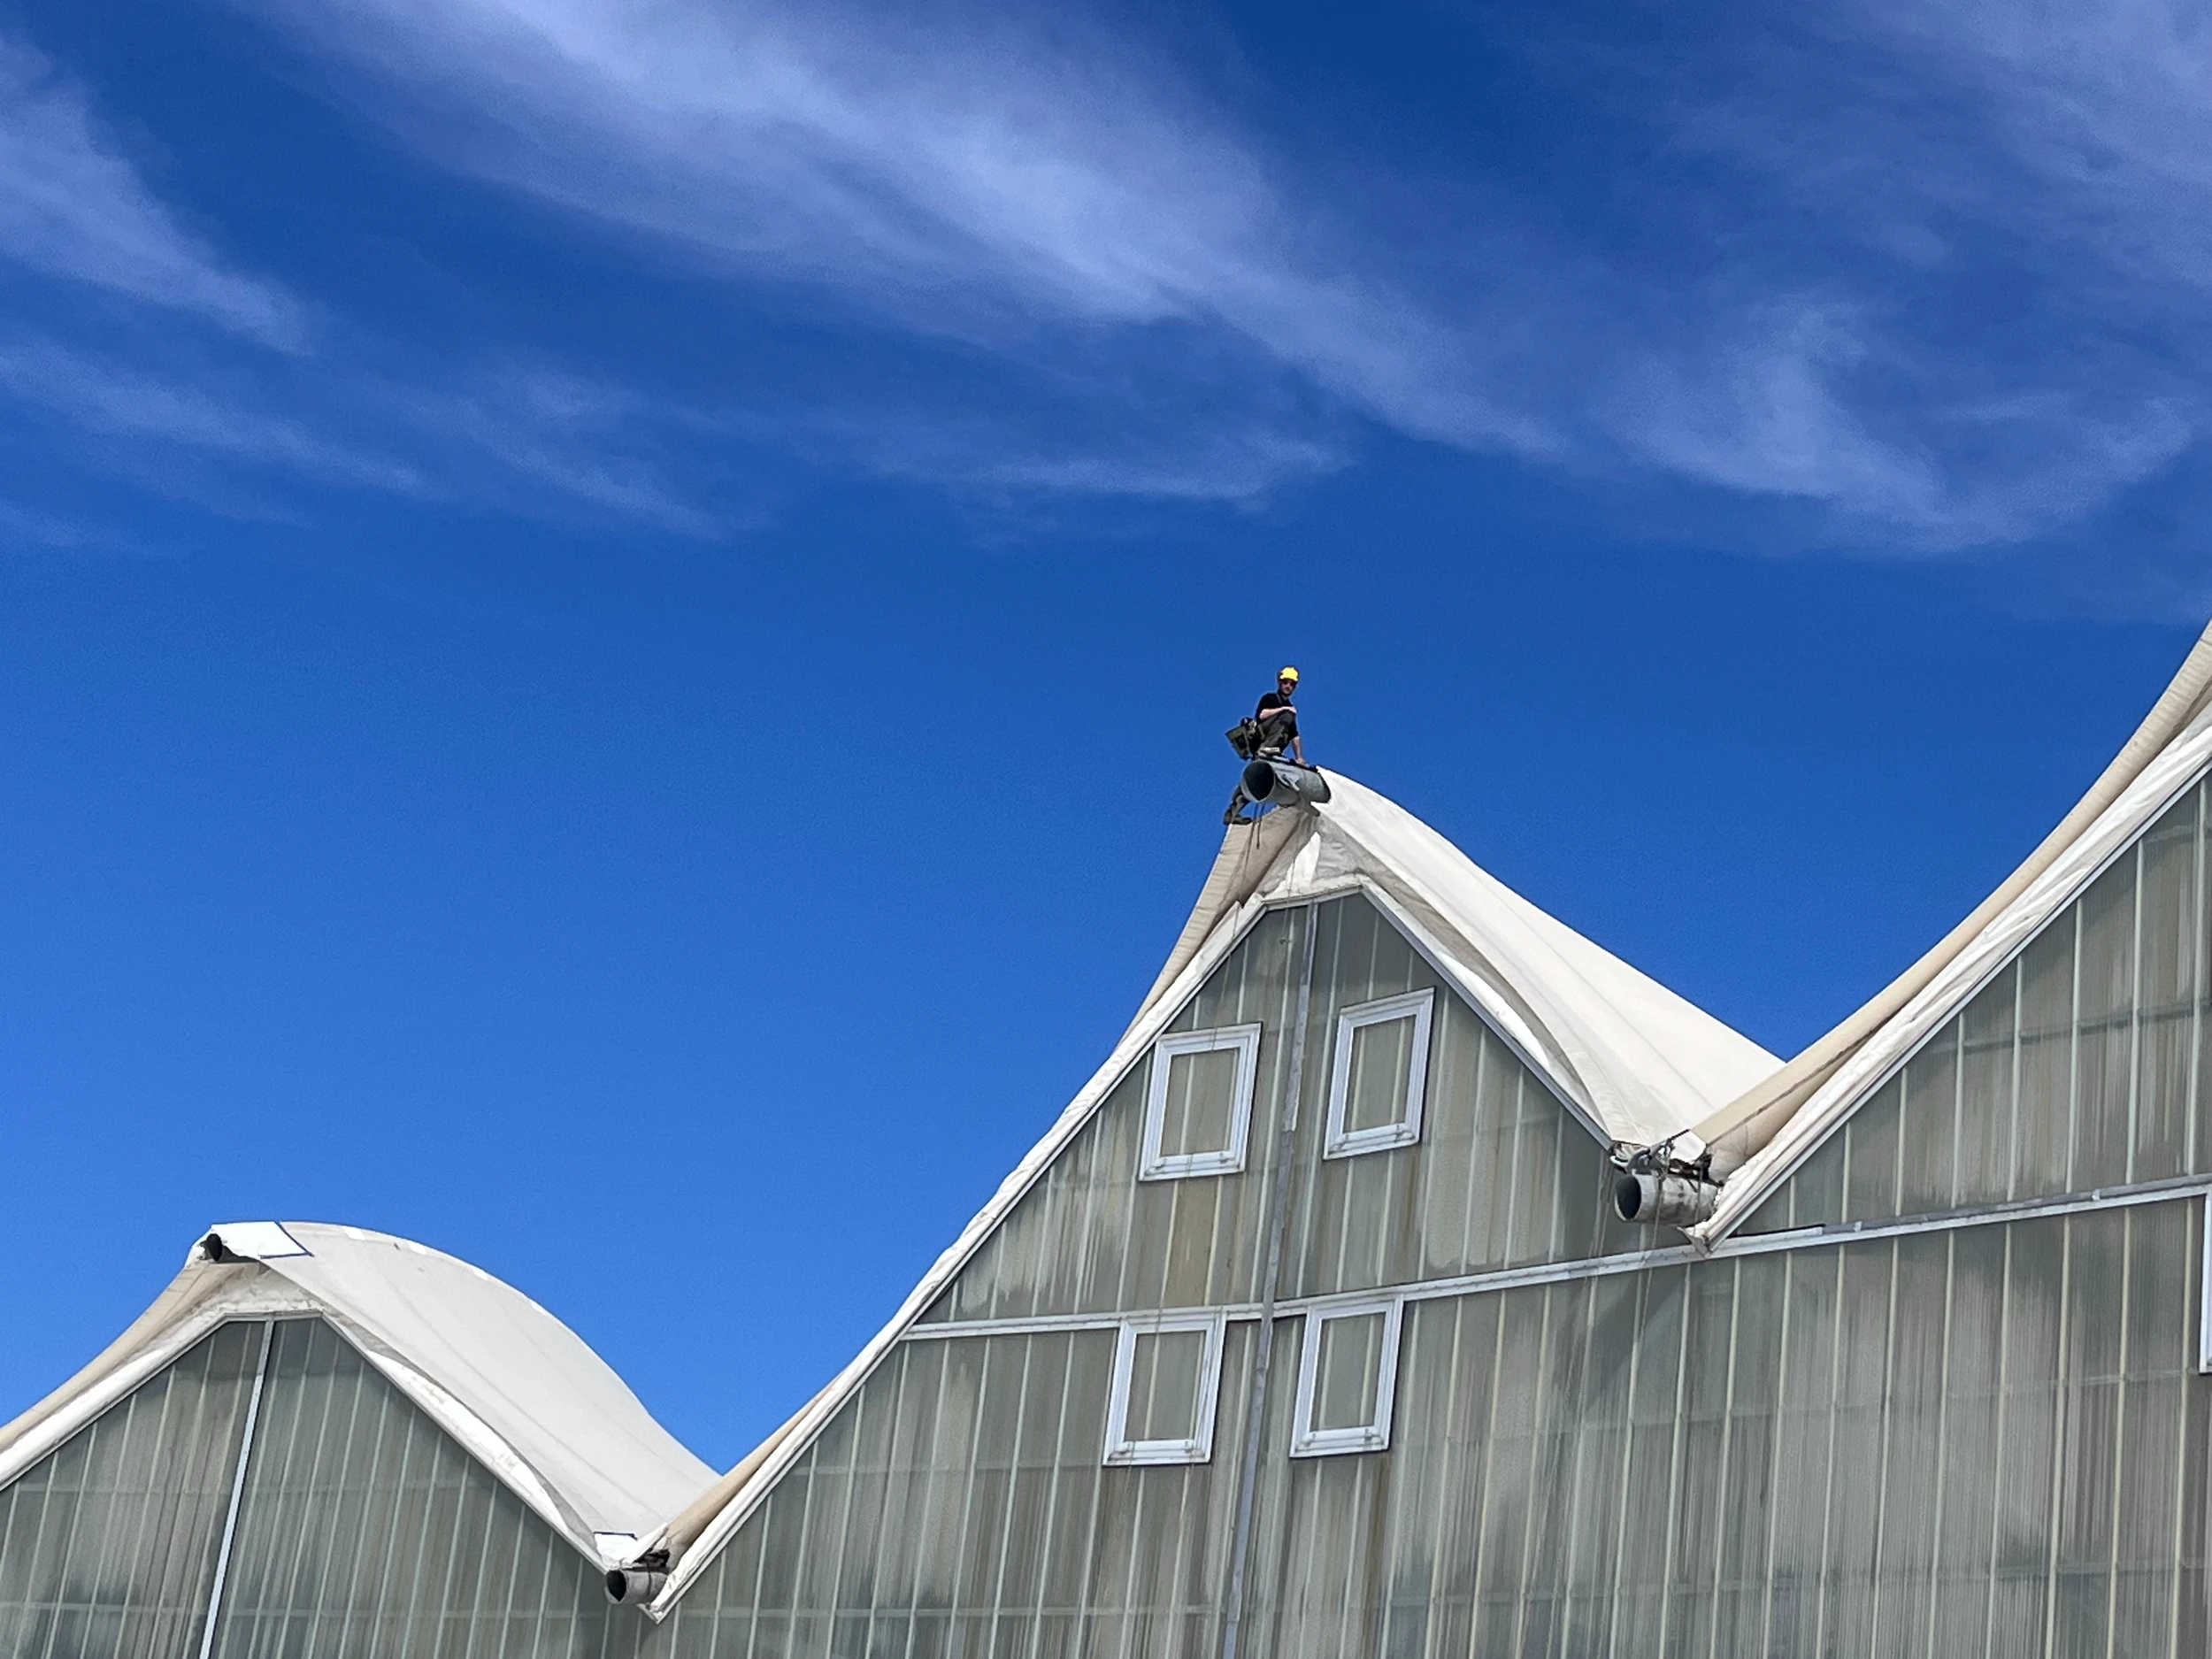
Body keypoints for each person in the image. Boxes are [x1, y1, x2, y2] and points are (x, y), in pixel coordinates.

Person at [1225, 666, 1308, 824]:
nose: (1288, 686)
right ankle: (1267, 749)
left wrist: (1299, 758)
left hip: (1272, 748)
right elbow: (1262, 715)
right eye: (1285, 682)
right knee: (1287, 715)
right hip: (1264, 742)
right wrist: (1283, 709)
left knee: (1257, 780)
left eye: (1291, 684)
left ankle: (1232, 813)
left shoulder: (1289, 708)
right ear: (1279, 682)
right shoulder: (1270, 699)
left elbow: (1294, 736)